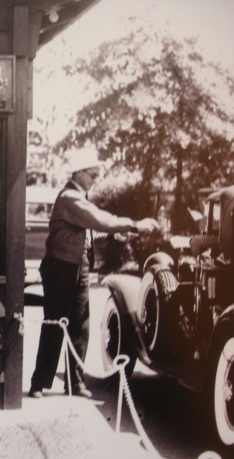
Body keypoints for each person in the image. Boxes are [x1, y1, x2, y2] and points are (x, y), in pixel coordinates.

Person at [29, 148, 159, 399]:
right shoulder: (70, 197)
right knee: (55, 324)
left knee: (82, 325)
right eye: (92, 175)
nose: (95, 179)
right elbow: (96, 218)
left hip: (80, 266)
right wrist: (134, 225)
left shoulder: (78, 197)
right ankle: (39, 382)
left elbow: (85, 230)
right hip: (61, 268)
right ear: (78, 174)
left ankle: (75, 383)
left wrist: (112, 234)